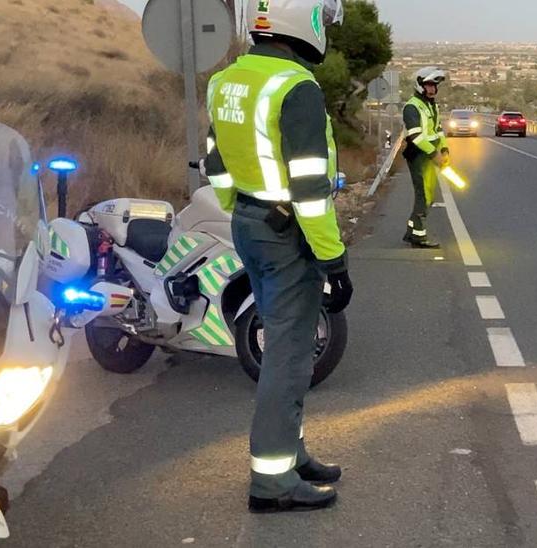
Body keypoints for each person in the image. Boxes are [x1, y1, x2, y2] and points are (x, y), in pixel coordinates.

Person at [201, 0, 352, 513]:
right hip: (287, 233)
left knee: (283, 344)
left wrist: (240, 206)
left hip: (250, 223)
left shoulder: (226, 80)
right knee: (289, 355)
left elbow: (215, 161)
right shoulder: (297, 87)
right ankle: (272, 480)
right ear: (303, 24)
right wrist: (333, 259)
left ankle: (292, 451)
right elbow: (310, 189)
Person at [402, 67, 450, 248]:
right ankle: (419, 236)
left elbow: (438, 130)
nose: (432, 89)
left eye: (435, 86)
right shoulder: (412, 107)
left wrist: (444, 149)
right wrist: (433, 153)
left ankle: (412, 231)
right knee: (423, 196)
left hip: (430, 157)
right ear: (420, 85)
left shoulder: (432, 105)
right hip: (419, 157)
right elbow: (416, 137)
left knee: (429, 195)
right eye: (429, 85)